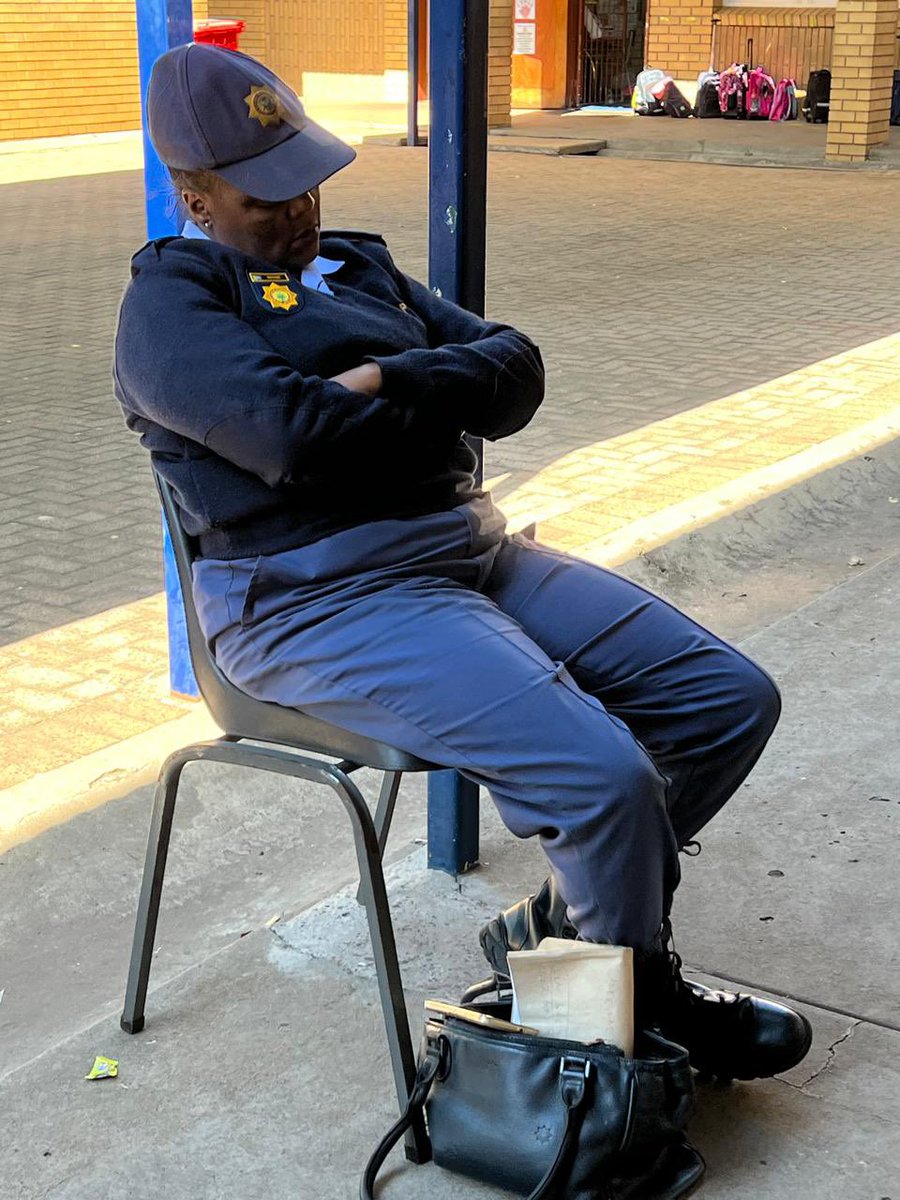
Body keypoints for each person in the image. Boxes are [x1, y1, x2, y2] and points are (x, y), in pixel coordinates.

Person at [114, 43, 810, 1088]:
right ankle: (596, 1053)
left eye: (304, 180)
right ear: (195, 195)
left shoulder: (359, 267)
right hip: (316, 604)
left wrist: (386, 373)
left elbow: (517, 375)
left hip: (468, 556)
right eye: (264, 198)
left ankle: (567, 936)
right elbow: (295, 438)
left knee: (725, 699)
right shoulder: (172, 309)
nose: (297, 212)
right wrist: (435, 395)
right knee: (605, 780)